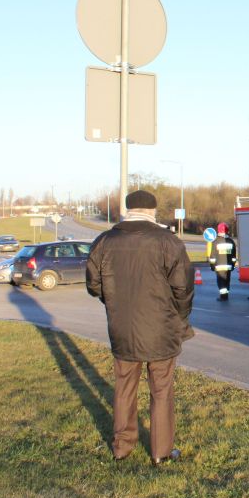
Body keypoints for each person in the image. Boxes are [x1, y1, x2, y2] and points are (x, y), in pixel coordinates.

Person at [85, 190, 194, 466]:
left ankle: (122, 446)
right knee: (161, 390)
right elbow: (183, 288)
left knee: (123, 387)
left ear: (128, 210)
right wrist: (180, 317)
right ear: (152, 212)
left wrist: (114, 304)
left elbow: (93, 285)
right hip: (161, 329)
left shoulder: (104, 241)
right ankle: (161, 451)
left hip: (121, 327)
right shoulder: (168, 242)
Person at [207, 222, 236, 301]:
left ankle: (223, 297)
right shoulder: (231, 241)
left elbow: (212, 256)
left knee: (221, 281)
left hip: (219, 266)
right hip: (229, 266)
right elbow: (234, 256)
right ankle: (226, 294)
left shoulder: (215, 241)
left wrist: (212, 265)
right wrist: (233, 265)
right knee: (227, 280)